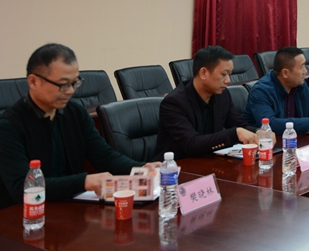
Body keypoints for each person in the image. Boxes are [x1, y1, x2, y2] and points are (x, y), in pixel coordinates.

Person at [0, 44, 157, 210]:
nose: (70, 91)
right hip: (25, 214)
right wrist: (84, 181)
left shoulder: (75, 113)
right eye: (63, 84)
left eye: (74, 83)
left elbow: (104, 156)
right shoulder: (8, 126)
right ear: (33, 81)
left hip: (71, 208)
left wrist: (140, 167)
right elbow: (21, 188)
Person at [154, 45, 262, 160]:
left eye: (229, 74)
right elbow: (191, 144)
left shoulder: (222, 95)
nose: (228, 80)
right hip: (176, 167)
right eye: (223, 74)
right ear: (203, 73)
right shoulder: (174, 103)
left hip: (209, 162)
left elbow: (239, 124)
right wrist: (234, 133)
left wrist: (258, 132)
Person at [244, 46, 309, 135]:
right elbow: (270, 124)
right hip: (267, 145)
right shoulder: (261, 91)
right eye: (302, 67)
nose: (305, 71)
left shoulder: (300, 85)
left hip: (296, 140)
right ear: (285, 73)